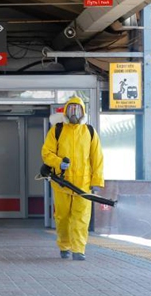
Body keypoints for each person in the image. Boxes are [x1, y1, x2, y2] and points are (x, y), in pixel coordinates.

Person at [41, 96, 104, 261]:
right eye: (71, 109)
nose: (74, 113)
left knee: (81, 218)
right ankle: (64, 245)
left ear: (83, 112)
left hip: (83, 184)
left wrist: (96, 182)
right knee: (62, 217)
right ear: (66, 111)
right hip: (61, 183)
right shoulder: (57, 130)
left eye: (77, 110)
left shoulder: (89, 132)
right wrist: (58, 162)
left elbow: (97, 159)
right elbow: (46, 152)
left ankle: (78, 249)